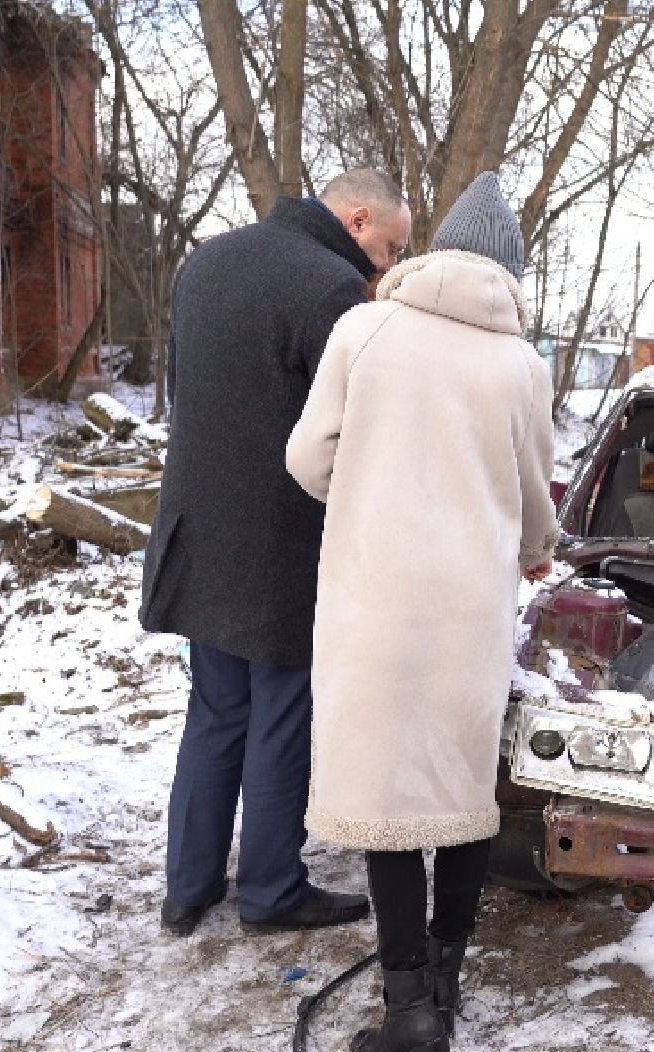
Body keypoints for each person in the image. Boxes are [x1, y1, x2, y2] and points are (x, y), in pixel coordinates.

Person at [285, 172, 558, 1052]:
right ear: (510, 274)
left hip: (374, 604)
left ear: (438, 250)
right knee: (461, 795)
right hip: (469, 615)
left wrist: (369, 485)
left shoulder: (363, 331)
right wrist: (532, 549)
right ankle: (444, 983)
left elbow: (308, 459)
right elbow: (534, 506)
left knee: (386, 799)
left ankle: (410, 1014)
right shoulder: (523, 366)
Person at [142, 170, 413, 937]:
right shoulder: (332, 291)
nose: (390, 265)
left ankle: (187, 888)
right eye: (390, 247)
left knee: (215, 712)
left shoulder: (207, 260)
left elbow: (183, 392)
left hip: (199, 527)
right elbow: (354, 432)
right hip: (284, 542)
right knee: (282, 717)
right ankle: (269, 890)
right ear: (356, 220)